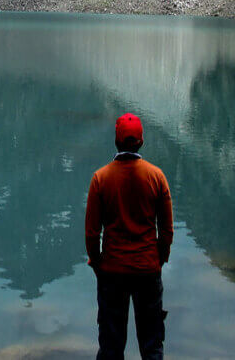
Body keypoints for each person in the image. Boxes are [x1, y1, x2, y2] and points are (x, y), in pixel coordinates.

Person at [84, 113, 173, 360]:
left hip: (112, 272)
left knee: (111, 348)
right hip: (147, 269)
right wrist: (159, 259)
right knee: (152, 346)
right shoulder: (157, 177)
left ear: (116, 141)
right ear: (141, 142)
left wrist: (98, 263)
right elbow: (166, 231)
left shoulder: (100, 178)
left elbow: (92, 233)